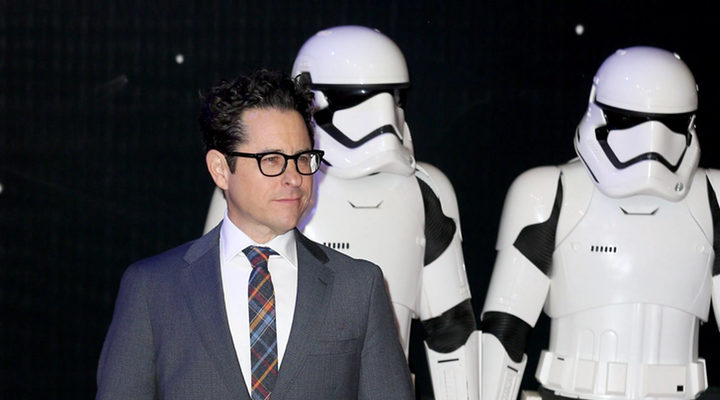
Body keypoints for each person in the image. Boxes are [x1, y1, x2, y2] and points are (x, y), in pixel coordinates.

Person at [96, 69, 414, 400]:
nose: (294, 178)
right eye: (272, 160)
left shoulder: (358, 287)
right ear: (220, 169)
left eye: (302, 158)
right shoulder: (153, 289)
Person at [203, 26, 480, 400]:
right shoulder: (270, 188)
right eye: (357, 98)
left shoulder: (423, 191)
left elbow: (452, 328)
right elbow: (211, 312)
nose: (382, 115)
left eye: (394, 97)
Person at [480, 46, 720, 400]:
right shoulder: (550, 191)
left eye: (669, 123)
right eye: (628, 120)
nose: (651, 140)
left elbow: (504, 331)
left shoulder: (713, 196)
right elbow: (505, 328)